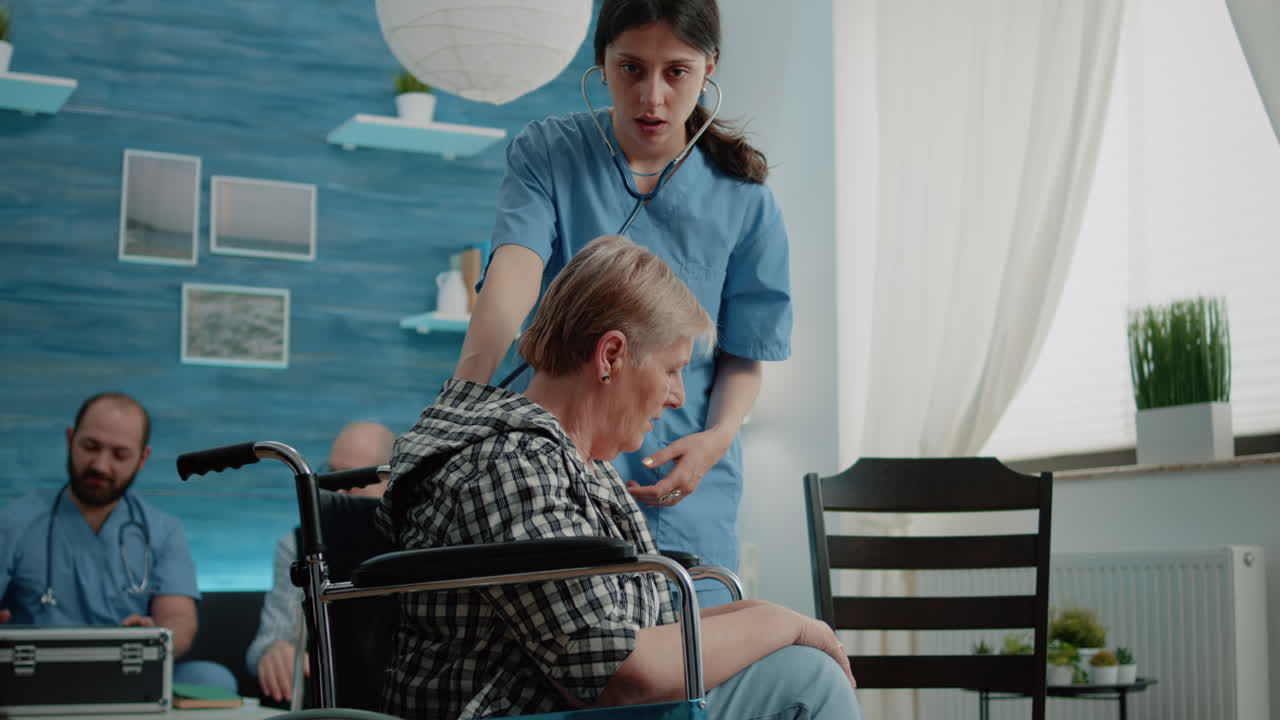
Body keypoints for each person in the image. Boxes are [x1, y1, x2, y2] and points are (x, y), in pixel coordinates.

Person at [379, 236, 858, 719]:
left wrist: (783, 622)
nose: (677, 395)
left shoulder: (580, 466)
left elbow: (650, 634)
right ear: (610, 355)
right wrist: (789, 626)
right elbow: (616, 674)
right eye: (672, 370)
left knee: (795, 655)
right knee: (807, 679)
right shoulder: (510, 464)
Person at [454, 0, 791, 606]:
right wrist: (459, 409)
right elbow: (512, 279)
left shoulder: (746, 200)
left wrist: (716, 440)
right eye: (631, 69)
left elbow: (746, 354)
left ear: (709, 65)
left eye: (676, 72)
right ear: (601, 63)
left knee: (683, 670)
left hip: (681, 480)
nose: (652, 97)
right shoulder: (548, 153)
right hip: (553, 474)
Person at [0, 392, 237, 692]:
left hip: (130, 674)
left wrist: (157, 635)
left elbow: (180, 620)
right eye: (90, 446)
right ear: (70, 440)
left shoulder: (163, 531)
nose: (100, 465)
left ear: (142, 459)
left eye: (120, 454)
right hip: (37, 676)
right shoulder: (13, 522)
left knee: (213, 680)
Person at [246, 421, 395, 704]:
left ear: (391, 481)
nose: (338, 494)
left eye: (354, 482)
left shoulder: (417, 545)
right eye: (333, 477)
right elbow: (265, 644)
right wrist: (275, 651)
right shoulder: (298, 545)